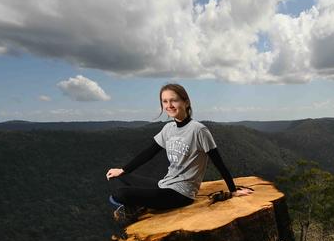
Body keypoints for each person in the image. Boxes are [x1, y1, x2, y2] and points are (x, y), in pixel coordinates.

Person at [106, 83, 251, 222]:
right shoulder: (168, 129)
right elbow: (148, 153)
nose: (169, 105)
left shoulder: (199, 130)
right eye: (165, 101)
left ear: (186, 102)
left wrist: (233, 190)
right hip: (165, 184)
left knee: (121, 194)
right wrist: (123, 169)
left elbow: (218, 162)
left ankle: (137, 205)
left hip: (181, 194)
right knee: (117, 178)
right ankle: (138, 205)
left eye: (173, 100)